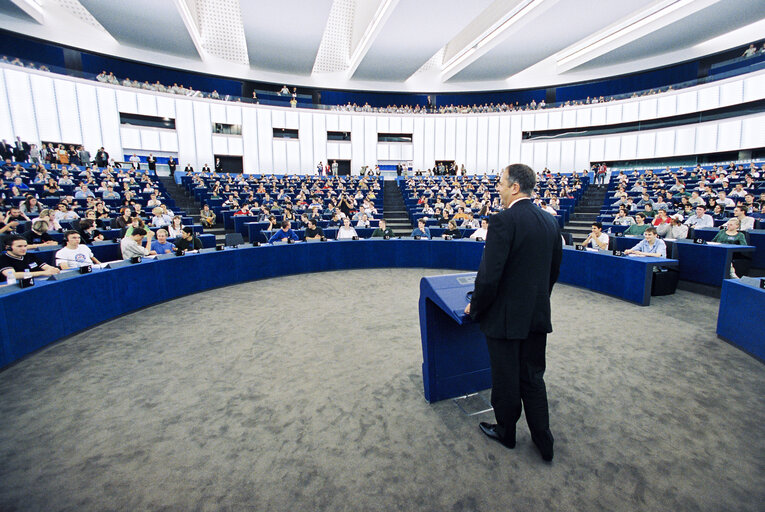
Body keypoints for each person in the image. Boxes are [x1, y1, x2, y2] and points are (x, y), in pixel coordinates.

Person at [464, 164, 561, 462]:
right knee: (533, 377)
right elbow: (553, 271)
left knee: (506, 379)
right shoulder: (549, 222)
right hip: (536, 316)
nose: (499, 189)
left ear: (515, 187)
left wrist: (475, 307)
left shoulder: (503, 221)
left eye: (502, 184)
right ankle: (544, 441)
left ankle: (506, 433)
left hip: (505, 320)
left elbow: (489, 277)